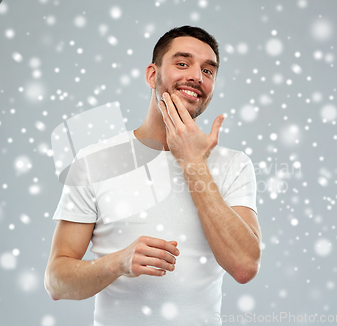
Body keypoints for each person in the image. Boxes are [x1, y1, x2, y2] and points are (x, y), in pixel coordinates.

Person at [44, 25, 262, 325]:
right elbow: (57, 281)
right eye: (182, 63)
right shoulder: (97, 161)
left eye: (208, 71)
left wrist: (193, 163)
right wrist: (118, 263)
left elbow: (244, 267)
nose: (197, 77)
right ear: (152, 75)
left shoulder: (233, 165)